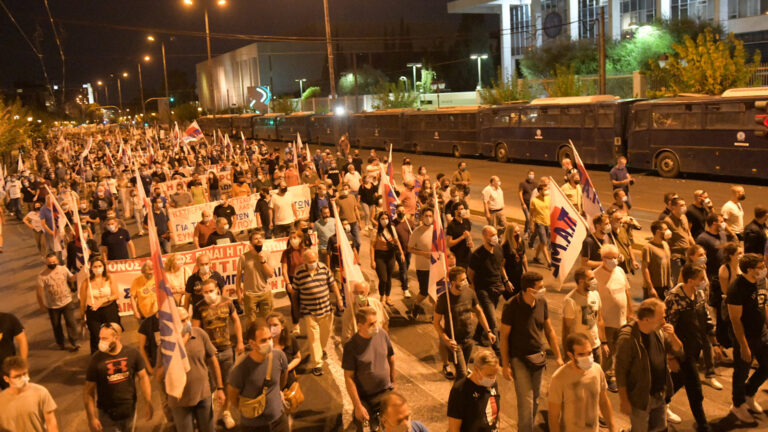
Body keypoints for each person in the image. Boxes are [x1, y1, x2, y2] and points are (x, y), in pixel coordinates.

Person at [499, 271, 563, 432]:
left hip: (538, 358)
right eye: (540, 287)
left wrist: (559, 356)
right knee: (525, 401)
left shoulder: (542, 302)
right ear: (529, 290)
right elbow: (504, 337)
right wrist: (505, 365)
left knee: (534, 399)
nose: (543, 290)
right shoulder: (511, 306)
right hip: (519, 359)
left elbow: (549, 331)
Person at [614, 299, 683, 432]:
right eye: (661, 317)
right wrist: (624, 400)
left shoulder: (658, 332)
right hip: (641, 398)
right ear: (646, 319)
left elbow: (679, 350)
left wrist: (673, 336)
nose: (665, 320)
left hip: (660, 393)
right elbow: (620, 371)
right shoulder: (628, 339)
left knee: (660, 428)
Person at [158, 307, 224, 432]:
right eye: (182, 320)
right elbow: (158, 376)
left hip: (203, 395)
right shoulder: (166, 344)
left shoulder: (199, 334)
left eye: (187, 318)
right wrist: (174, 352)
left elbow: (213, 361)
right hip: (179, 401)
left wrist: (220, 388)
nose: (187, 322)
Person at [664, 265, 713, 431]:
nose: (703, 281)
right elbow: (667, 328)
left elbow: (705, 316)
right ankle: (703, 425)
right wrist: (671, 357)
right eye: (701, 278)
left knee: (677, 380)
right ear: (690, 280)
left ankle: (659, 403)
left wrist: (714, 342)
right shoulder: (674, 298)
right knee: (695, 389)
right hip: (681, 351)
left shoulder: (699, 293)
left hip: (695, 347)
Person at [84, 322, 153, 432]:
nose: (101, 342)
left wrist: (148, 402)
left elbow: (143, 377)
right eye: (100, 338)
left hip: (129, 411)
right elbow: (88, 392)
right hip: (107, 414)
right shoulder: (96, 360)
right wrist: (91, 418)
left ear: (116, 338)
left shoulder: (132, 354)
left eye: (105, 338)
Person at [193, 278, 245, 422]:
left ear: (217, 289)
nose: (209, 294)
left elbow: (236, 320)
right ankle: (209, 414)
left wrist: (240, 341)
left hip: (227, 349)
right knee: (210, 384)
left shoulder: (228, 302)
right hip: (208, 354)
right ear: (202, 293)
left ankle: (226, 412)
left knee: (228, 382)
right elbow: (195, 331)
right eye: (205, 292)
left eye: (211, 291)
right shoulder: (199, 307)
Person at [726, 253, 768, 423]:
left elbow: (763, 305)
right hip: (746, 337)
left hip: (761, 334)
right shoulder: (736, 288)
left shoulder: (761, 282)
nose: (764, 269)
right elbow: (735, 320)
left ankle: (749, 393)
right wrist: (743, 345)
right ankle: (737, 405)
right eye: (760, 267)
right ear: (749, 269)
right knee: (741, 372)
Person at [227, 320, 289, 432]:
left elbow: (282, 380)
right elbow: (233, 396)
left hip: (279, 421)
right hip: (253, 427)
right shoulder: (240, 370)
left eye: (270, 338)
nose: (269, 342)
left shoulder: (279, 356)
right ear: (252, 343)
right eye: (263, 340)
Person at [434, 266, 495, 380]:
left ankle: (460, 393)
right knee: (462, 373)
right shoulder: (444, 299)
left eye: (465, 278)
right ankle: (458, 396)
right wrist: (446, 339)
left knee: (464, 369)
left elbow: (479, 312)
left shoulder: (470, 293)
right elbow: (436, 322)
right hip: (454, 342)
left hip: (469, 339)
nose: (465, 282)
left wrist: (488, 331)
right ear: (453, 282)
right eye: (462, 280)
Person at [548, 333, 616, 432]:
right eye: (581, 354)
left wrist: (612, 428)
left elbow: (603, 401)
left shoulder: (597, 370)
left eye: (589, 353)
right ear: (571, 355)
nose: (587, 357)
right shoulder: (559, 378)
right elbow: (553, 417)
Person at [343, 306, 396, 431]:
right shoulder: (351, 346)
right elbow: (349, 378)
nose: (375, 326)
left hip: (385, 391)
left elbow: (391, 358)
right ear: (360, 325)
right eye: (371, 324)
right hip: (365, 398)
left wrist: (394, 383)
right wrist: (358, 405)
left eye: (376, 322)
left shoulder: (382, 334)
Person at [293, 249, 344, 376]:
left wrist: (339, 299)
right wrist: (296, 309)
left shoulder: (324, 269)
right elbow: (295, 293)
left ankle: (320, 350)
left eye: (314, 261)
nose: (312, 263)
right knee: (314, 337)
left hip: (326, 309)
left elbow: (333, 285)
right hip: (309, 311)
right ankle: (317, 364)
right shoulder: (299, 272)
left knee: (324, 335)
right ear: (304, 261)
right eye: (310, 261)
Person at [468, 225, 514, 354]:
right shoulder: (477, 255)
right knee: (493, 320)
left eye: (496, 234)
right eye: (491, 235)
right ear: (484, 237)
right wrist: (473, 290)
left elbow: (500, 267)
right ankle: (498, 350)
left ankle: (477, 335)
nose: (495, 237)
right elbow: (470, 274)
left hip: (497, 288)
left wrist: (506, 280)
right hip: (483, 291)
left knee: (488, 315)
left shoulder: (499, 249)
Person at [594, 244, 633, 392]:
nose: (614, 261)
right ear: (603, 259)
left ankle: (615, 374)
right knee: (608, 351)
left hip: (621, 320)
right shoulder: (596, 275)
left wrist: (630, 311)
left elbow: (627, 292)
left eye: (616, 258)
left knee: (619, 349)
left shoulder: (620, 271)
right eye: (611, 258)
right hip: (607, 321)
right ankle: (606, 377)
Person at [0, 356, 59, 432]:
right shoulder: (1, 400)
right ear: (6, 379)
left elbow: (51, 422)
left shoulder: (40, 392)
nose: (23, 378)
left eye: (24, 374)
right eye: (17, 376)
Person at [562, 268, 609, 364]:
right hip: (581, 350)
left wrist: (604, 342)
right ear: (581, 282)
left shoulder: (595, 295)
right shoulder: (570, 301)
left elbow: (599, 320)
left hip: (595, 347)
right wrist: (567, 353)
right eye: (591, 279)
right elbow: (567, 329)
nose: (595, 281)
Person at [447, 350, 500, 432]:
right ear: (476, 369)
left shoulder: (492, 384)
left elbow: (495, 412)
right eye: (489, 375)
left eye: (495, 374)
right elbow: (454, 428)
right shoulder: (460, 390)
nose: (493, 378)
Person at [37, 253, 80, 351]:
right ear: (46, 263)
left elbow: (71, 278)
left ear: (57, 261)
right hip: (52, 306)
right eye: (50, 262)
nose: (52, 263)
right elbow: (39, 292)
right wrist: (41, 305)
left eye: (54, 262)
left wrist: (80, 274)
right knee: (56, 325)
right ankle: (60, 342)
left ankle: (74, 341)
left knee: (71, 322)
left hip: (67, 301)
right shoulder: (42, 275)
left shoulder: (63, 269)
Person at [79, 257, 121, 353]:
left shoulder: (110, 278)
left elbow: (116, 295)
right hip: (93, 312)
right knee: (97, 336)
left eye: (100, 266)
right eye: (95, 266)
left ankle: (114, 352)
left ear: (103, 267)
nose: (98, 268)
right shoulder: (86, 283)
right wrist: (82, 315)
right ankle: (97, 356)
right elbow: (82, 301)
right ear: (91, 268)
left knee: (112, 334)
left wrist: (103, 301)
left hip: (109, 310)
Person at [266, 312, 301, 427]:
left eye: (275, 325)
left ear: (282, 326)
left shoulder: (290, 340)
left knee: (286, 410)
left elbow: (298, 357)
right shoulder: (265, 342)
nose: (272, 328)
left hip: (287, 381)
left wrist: (287, 367)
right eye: (269, 325)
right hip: (270, 382)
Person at [236, 230, 275, 324]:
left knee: (268, 319)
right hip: (250, 294)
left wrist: (263, 261)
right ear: (250, 242)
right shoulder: (244, 257)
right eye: (255, 239)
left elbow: (271, 274)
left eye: (260, 238)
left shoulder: (267, 254)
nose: (258, 240)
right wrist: (238, 293)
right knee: (251, 321)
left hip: (265, 292)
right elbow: (238, 277)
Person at [408, 207, 437, 318]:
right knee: (424, 291)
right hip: (422, 267)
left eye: (430, 216)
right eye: (426, 216)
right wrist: (424, 254)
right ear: (422, 217)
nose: (428, 218)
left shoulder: (436, 230)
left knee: (434, 291)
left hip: (435, 266)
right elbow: (410, 248)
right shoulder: (417, 231)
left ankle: (435, 316)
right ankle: (416, 305)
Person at [371, 211, 405, 306]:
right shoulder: (375, 231)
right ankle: (381, 296)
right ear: (379, 220)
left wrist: (402, 253)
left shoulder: (392, 229)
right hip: (379, 256)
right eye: (382, 219)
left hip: (390, 256)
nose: (385, 221)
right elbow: (372, 246)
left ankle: (388, 297)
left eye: (386, 218)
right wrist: (372, 260)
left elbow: (397, 242)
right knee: (383, 279)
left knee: (389, 278)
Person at [664, 197, 695, 283]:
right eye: (681, 205)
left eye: (684, 204)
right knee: (678, 281)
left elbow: (688, 234)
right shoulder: (668, 221)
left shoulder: (684, 217)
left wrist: (695, 247)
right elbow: (665, 241)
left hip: (686, 254)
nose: (684, 207)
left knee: (687, 280)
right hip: (676, 256)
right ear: (673, 207)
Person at [282, 230, 307, 335]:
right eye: (291, 238)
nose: (292, 240)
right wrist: (288, 284)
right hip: (292, 281)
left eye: (295, 238)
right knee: (294, 305)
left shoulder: (306, 251)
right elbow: (284, 270)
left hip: (305, 281)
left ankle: (308, 326)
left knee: (306, 304)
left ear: (301, 239)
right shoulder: (286, 253)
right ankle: (296, 327)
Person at [642, 220, 673, 300]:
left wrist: (670, 282)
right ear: (658, 232)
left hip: (665, 287)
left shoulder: (665, 244)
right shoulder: (648, 248)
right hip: (655, 287)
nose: (668, 231)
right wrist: (650, 288)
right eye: (665, 229)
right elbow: (645, 268)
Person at [0, 312, 28, 391]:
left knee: (17, 396)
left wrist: (22, 365)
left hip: (8, 368)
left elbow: (22, 340)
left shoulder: (8, 319)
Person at [501, 222, 527, 294]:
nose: (518, 233)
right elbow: (502, 266)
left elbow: (524, 257)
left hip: (519, 276)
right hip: (509, 277)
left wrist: (527, 272)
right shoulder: (505, 246)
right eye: (515, 232)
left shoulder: (521, 243)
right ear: (510, 233)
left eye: (518, 231)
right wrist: (506, 281)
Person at [529, 183, 551, 266]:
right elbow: (531, 214)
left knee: (542, 242)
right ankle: (549, 262)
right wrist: (531, 225)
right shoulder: (534, 201)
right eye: (545, 190)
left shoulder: (548, 198)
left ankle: (535, 257)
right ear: (540, 191)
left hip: (548, 223)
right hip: (539, 223)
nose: (547, 191)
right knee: (544, 243)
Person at [446, 202, 473, 269]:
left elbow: (469, 234)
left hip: (467, 255)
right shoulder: (451, 225)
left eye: (463, 208)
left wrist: (471, 242)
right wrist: (462, 237)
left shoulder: (466, 221)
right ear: (456, 211)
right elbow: (449, 243)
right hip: (458, 257)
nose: (463, 211)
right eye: (461, 209)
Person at [518, 169, 537, 236]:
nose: (531, 176)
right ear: (527, 175)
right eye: (530, 174)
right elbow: (520, 193)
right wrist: (523, 203)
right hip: (525, 204)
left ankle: (527, 230)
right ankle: (527, 232)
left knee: (530, 219)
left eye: (532, 174)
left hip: (532, 205)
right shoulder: (523, 184)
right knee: (528, 218)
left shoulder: (535, 184)